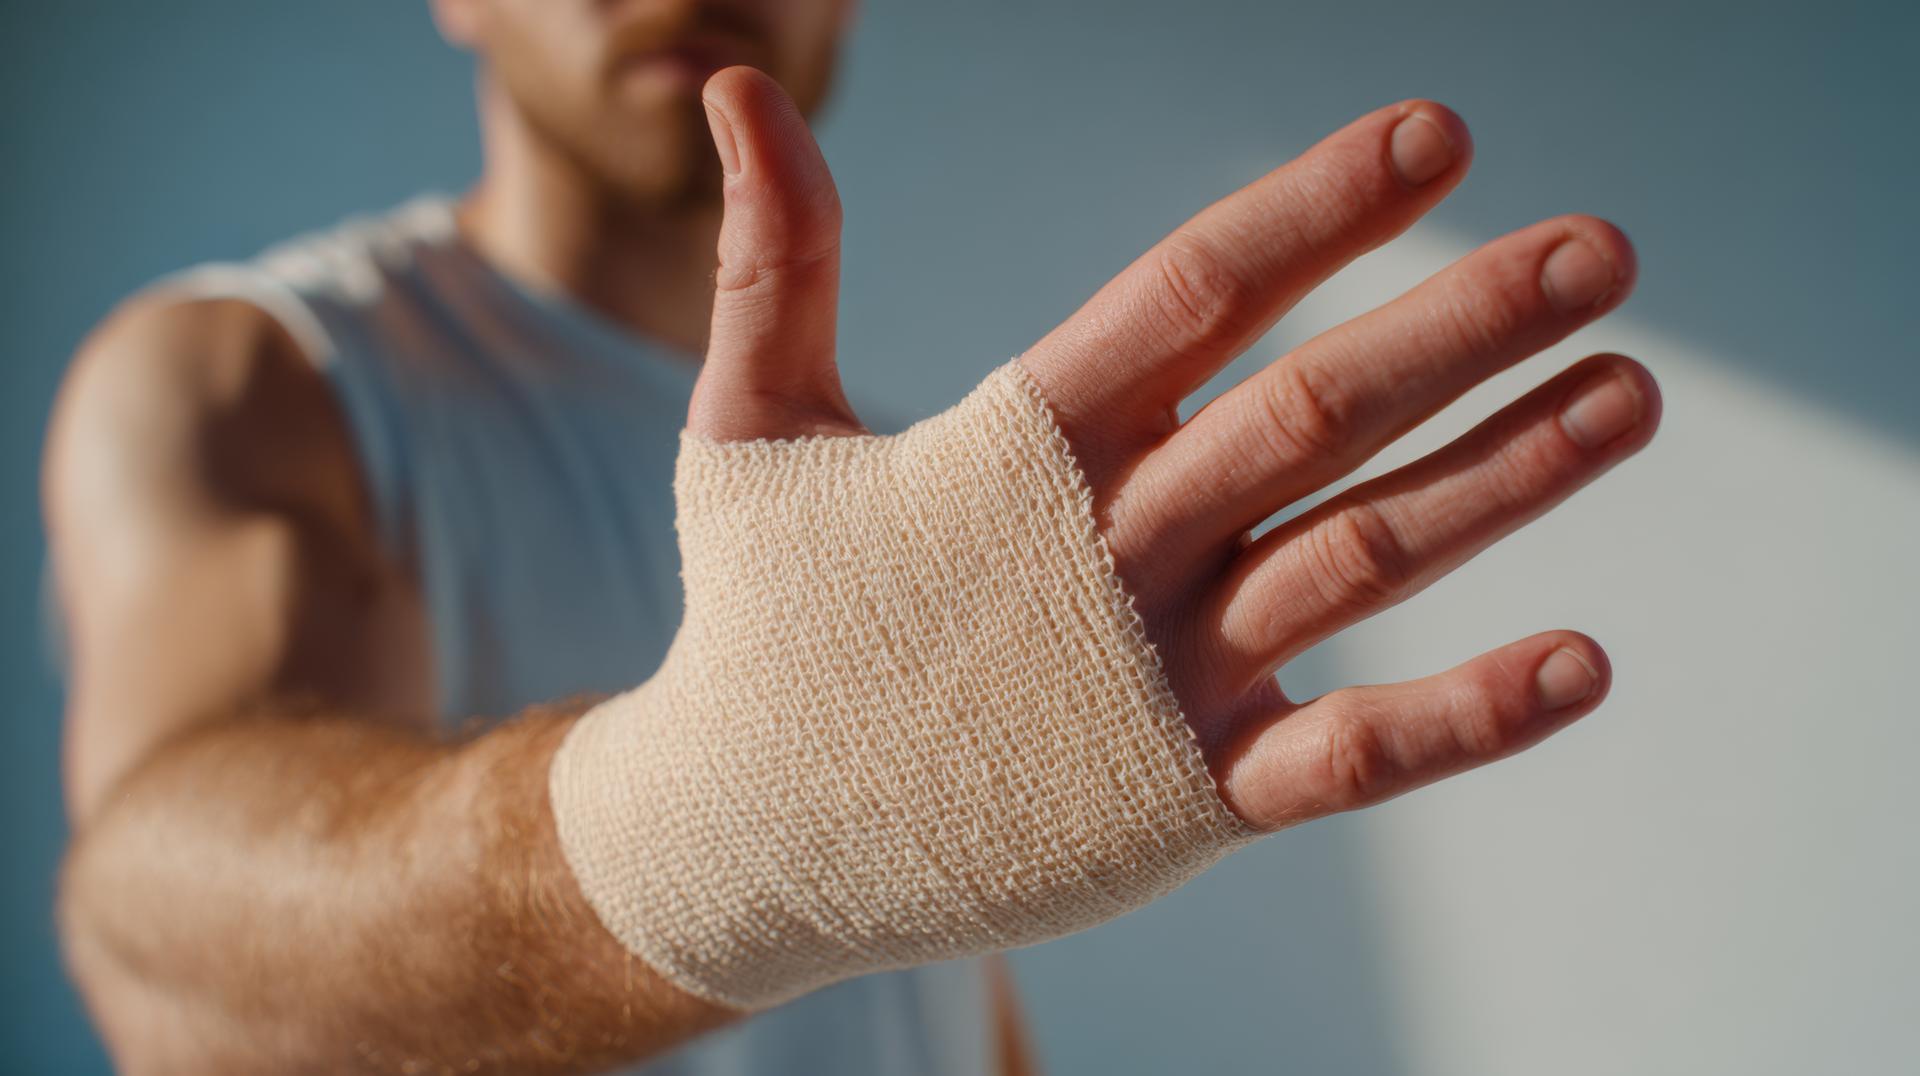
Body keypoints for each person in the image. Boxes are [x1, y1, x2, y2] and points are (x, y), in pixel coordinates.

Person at [43, 0, 1659, 1073]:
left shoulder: (923, 498)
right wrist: (713, 836)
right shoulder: (264, 375)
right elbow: (157, 943)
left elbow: (942, 1001)